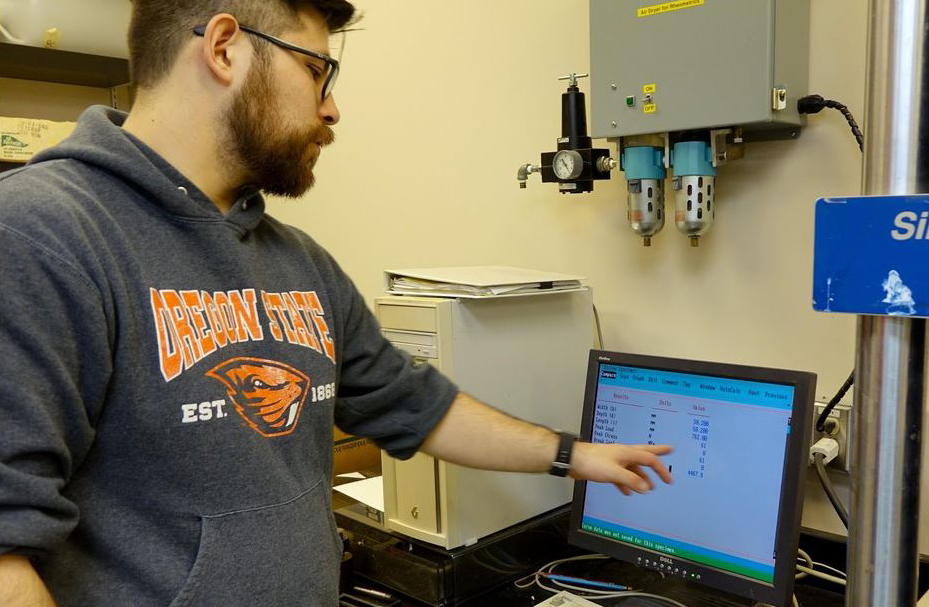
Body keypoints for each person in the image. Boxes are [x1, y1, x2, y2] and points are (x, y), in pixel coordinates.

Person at [0, 1, 673, 605]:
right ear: (226, 48)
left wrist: (572, 454)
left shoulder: (298, 261)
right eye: (317, 70)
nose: (331, 108)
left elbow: (412, 403)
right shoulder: (42, 232)